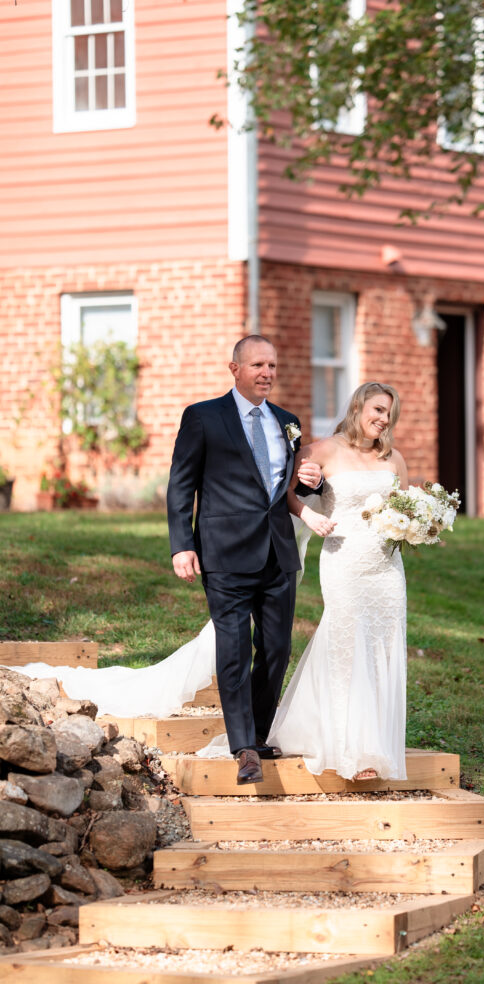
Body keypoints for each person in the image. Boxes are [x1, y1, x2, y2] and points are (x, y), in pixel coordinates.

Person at [166, 334, 323, 785]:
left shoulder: (288, 422)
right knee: (233, 650)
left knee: (276, 649)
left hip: (277, 552)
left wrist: (311, 481)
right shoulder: (203, 417)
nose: (266, 373)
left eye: (271, 365)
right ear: (235, 369)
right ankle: (245, 748)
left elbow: (289, 488)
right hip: (224, 553)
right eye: (257, 365)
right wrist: (182, 544)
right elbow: (181, 484)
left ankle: (256, 731)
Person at [267, 381, 408, 782]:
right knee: (347, 646)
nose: (384, 419)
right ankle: (349, 748)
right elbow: (286, 493)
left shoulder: (394, 459)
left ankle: (375, 744)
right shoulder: (322, 450)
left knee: (382, 648)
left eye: (390, 414)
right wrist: (308, 515)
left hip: (387, 570)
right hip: (344, 562)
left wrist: (419, 526)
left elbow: (406, 507)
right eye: (378, 410)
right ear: (358, 406)